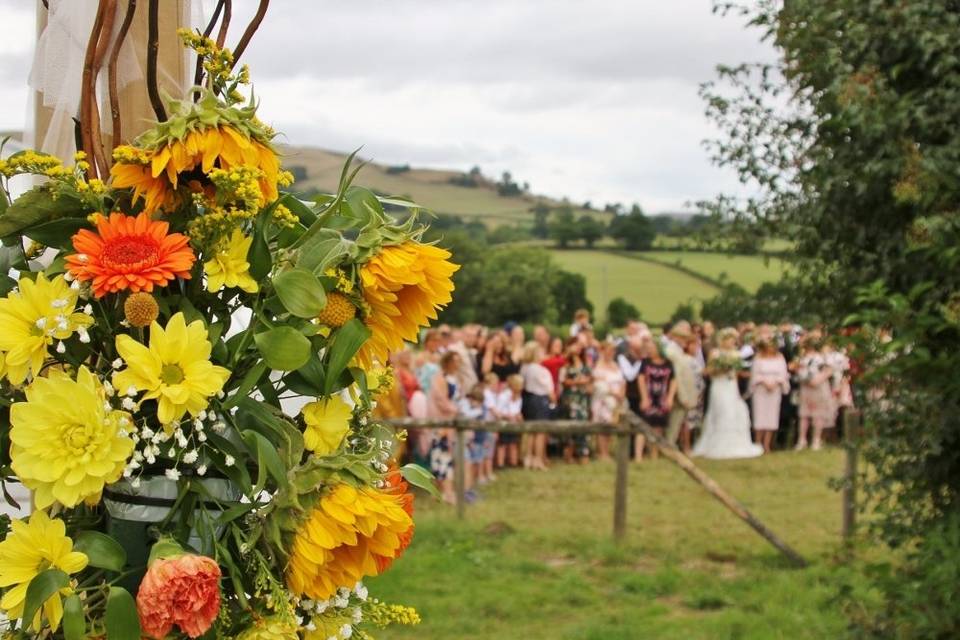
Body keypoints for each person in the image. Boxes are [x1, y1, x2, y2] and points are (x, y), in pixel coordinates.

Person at [692, 328, 764, 459]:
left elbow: (736, 374)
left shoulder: (736, 354)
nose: (732, 343)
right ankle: (716, 444)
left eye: (734, 340)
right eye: (730, 340)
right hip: (719, 385)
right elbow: (708, 371)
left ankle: (734, 443)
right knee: (721, 411)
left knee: (734, 412)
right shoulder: (715, 354)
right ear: (723, 340)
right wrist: (720, 368)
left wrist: (736, 390)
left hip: (730, 386)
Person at [427, 351, 463, 503]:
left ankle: (442, 491)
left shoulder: (456, 379)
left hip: (452, 421)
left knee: (447, 455)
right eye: (455, 361)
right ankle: (446, 492)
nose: (457, 364)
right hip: (442, 422)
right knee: (441, 456)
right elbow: (441, 400)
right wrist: (454, 410)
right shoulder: (440, 378)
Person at [635, 338, 676, 461]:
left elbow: (673, 381)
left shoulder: (668, 363)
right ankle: (639, 456)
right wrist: (644, 398)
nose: (650, 350)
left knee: (658, 427)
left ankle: (654, 454)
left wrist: (670, 397)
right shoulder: (645, 362)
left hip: (662, 398)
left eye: (652, 348)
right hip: (649, 396)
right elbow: (641, 379)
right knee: (643, 426)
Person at [749, 338, 790, 452]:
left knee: (772, 416)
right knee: (760, 415)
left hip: (775, 390)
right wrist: (763, 381)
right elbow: (754, 375)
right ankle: (757, 443)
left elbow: (784, 374)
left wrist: (776, 382)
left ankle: (767, 444)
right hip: (761, 390)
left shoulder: (780, 358)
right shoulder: (758, 358)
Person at [795, 334, 834, 450]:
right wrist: (806, 379)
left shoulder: (824, 357)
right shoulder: (801, 358)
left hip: (820, 388)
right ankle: (802, 440)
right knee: (804, 414)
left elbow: (829, 370)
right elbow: (798, 369)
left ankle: (816, 440)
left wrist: (817, 380)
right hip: (806, 388)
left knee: (818, 415)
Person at [520, 341, 554, 470]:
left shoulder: (524, 368)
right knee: (540, 431)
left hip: (528, 399)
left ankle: (528, 457)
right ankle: (538, 459)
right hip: (540, 400)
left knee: (531, 430)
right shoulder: (539, 370)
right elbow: (548, 389)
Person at [663, 321, 698, 446]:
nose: (685, 341)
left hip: (681, 393)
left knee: (677, 422)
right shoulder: (672, 352)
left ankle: (671, 444)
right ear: (675, 337)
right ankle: (669, 446)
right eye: (682, 337)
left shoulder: (678, 351)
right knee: (674, 422)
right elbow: (676, 376)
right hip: (677, 394)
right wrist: (683, 396)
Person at [559, 338, 593, 462]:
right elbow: (563, 380)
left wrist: (589, 385)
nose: (578, 348)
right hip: (571, 398)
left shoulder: (585, 363)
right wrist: (577, 382)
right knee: (572, 424)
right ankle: (569, 453)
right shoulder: (565, 363)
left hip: (583, 398)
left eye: (580, 346)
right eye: (576, 345)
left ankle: (584, 453)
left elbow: (590, 379)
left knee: (583, 424)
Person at [591, 341, 626, 460]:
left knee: (612, 425)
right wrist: (613, 393)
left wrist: (621, 393)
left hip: (617, 399)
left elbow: (622, 381)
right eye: (609, 350)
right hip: (604, 399)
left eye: (613, 350)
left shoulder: (615, 365)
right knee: (603, 425)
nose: (611, 353)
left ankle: (608, 450)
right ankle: (602, 452)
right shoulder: (598, 365)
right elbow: (599, 384)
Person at [494, 374, 524, 468]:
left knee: (514, 443)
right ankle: (500, 464)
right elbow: (498, 411)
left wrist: (519, 416)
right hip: (504, 422)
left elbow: (517, 410)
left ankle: (513, 463)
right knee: (502, 444)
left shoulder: (519, 397)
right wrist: (507, 416)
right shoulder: (503, 396)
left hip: (514, 422)